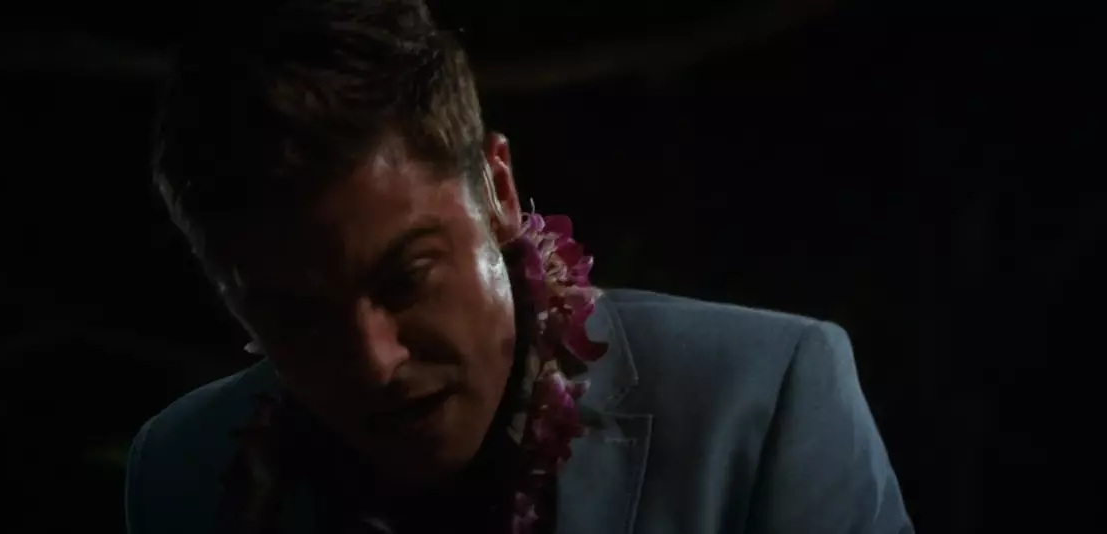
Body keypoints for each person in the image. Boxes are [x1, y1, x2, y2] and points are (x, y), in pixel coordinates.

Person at [125, 1, 913, 533]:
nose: (374, 361)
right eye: (297, 316)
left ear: (498, 190)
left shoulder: (764, 405)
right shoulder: (181, 473)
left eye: (407, 278)